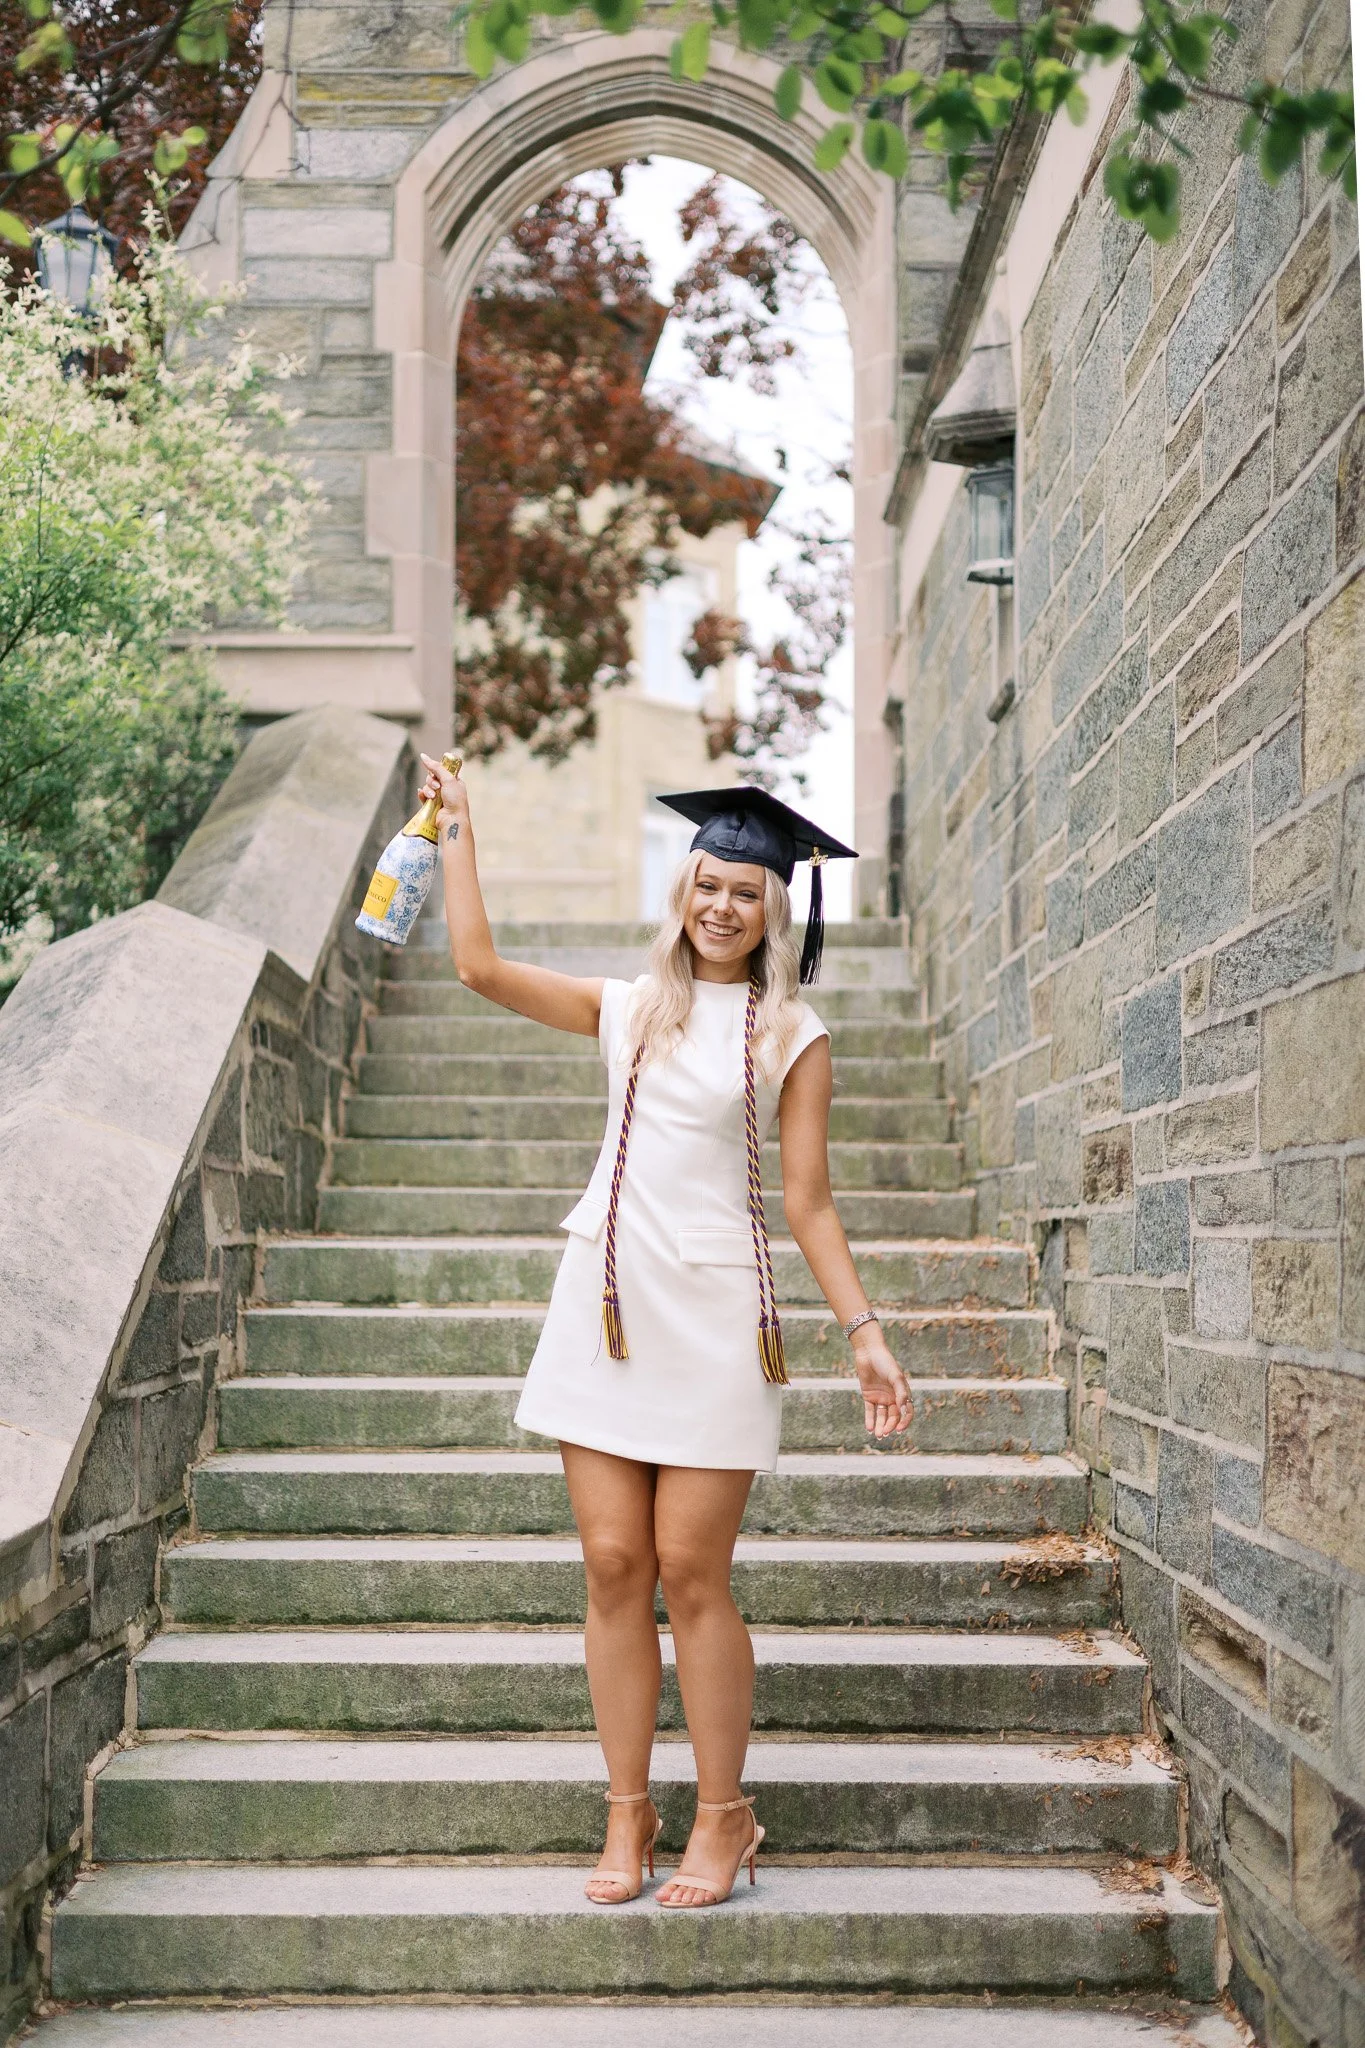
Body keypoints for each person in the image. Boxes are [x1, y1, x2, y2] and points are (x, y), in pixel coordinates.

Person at [417, 755, 913, 1909]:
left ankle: (725, 1814)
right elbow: (478, 965)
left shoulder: (794, 1031)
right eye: (708, 885)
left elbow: (809, 1200)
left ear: (776, 906)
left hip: (717, 1322)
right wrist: (459, 829)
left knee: (692, 1571)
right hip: (606, 1308)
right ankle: (628, 1810)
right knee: (610, 1564)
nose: (724, 906)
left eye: (748, 890)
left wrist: (865, 1329)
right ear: (682, 893)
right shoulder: (627, 1006)